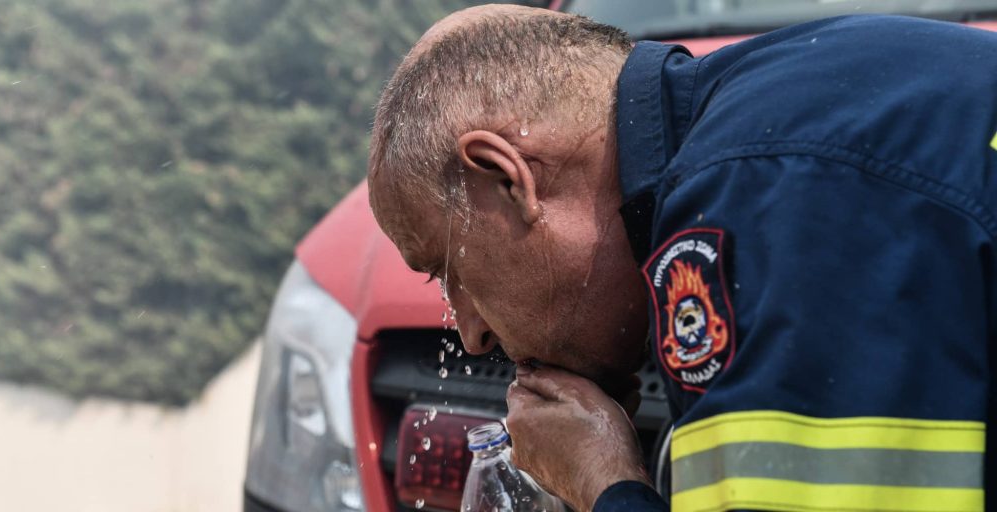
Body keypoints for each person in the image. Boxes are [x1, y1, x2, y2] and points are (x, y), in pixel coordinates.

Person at [366, 4, 997, 511]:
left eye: (451, 271)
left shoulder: (763, 193)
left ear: (508, 179)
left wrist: (605, 485)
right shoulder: (782, 114)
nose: (471, 334)